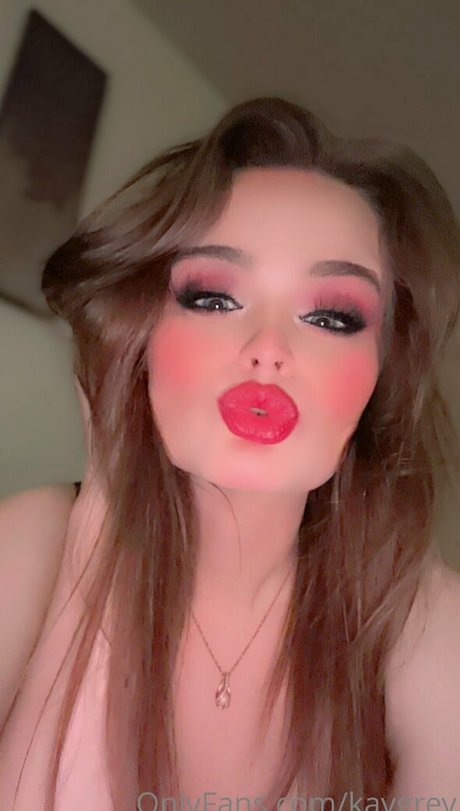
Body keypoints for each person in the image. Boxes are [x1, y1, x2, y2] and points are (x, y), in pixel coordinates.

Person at [0, 96, 459, 811]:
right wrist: (97, 539)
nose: (268, 349)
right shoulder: (35, 540)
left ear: (381, 373)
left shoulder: (418, 616)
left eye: (331, 316)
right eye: (214, 299)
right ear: (137, 336)